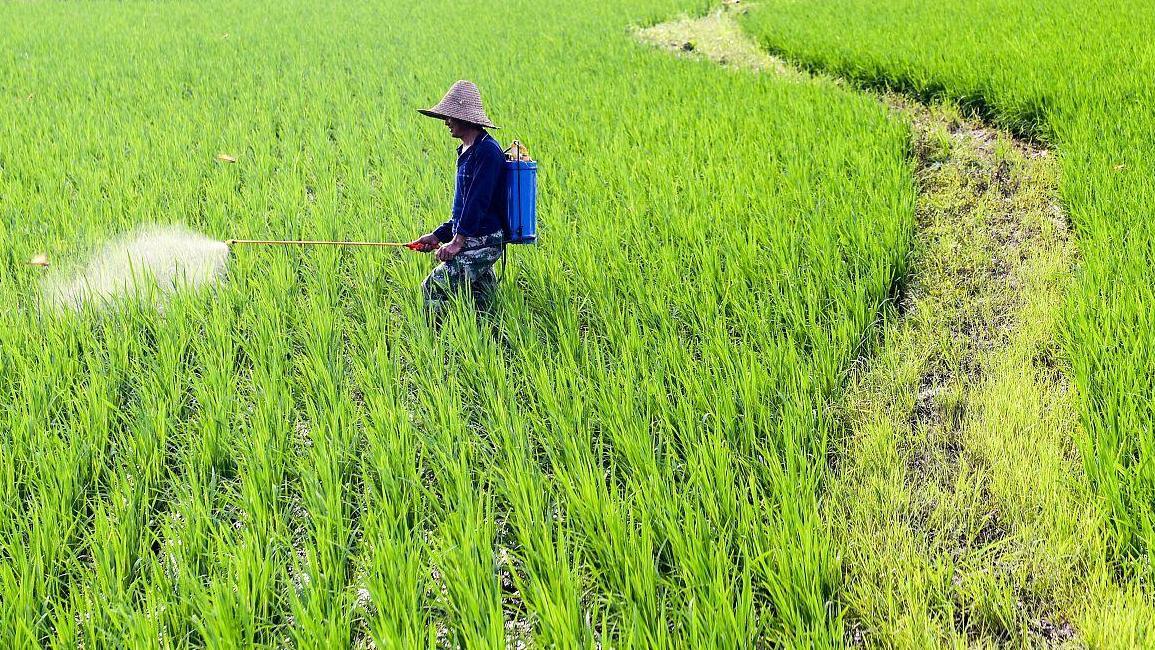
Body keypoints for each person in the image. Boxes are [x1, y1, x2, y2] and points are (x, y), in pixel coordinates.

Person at [410, 80, 507, 317]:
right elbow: (462, 208)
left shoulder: (487, 152)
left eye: (450, 117)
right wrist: (438, 235)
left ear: (465, 118)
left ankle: (432, 342)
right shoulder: (467, 150)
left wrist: (456, 242)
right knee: (483, 301)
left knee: (433, 287)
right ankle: (489, 341)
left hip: (484, 239)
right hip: (472, 236)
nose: (446, 122)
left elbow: (478, 202)